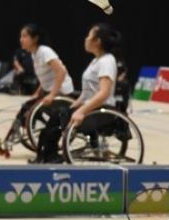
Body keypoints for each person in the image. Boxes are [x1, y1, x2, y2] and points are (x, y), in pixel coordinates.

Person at [33, 23, 120, 163]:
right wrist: (74, 106)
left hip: (102, 113)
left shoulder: (107, 61)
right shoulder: (96, 61)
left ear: (97, 41)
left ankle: (50, 156)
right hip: (92, 108)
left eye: (89, 36)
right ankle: (46, 155)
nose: (85, 39)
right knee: (58, 114)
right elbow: (87, 94)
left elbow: (104, 93)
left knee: (60, 116)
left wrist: (81, 111)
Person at [14, 24, 75, 146]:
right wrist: (37, 94)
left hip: (62, 92)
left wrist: (52, 94)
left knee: (32, 108)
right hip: (51, 91)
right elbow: (46, 79)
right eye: (21, 36)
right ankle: (20, 130)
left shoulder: (45, 51)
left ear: (35, 38)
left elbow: (61, 72)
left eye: (25, 36)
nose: (21, 39)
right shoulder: (34, 53)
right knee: (27, 105)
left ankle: (35, 131)